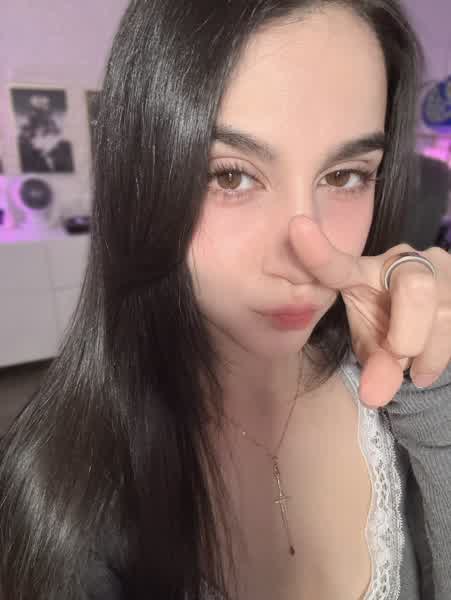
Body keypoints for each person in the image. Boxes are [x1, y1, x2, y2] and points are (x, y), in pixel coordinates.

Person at [0, 1, 450, 599]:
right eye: (230, 176)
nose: (303, 259)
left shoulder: (402, 402)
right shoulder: (63, 490)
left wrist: (433, 391)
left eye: (346, 175)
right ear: (142, 177)